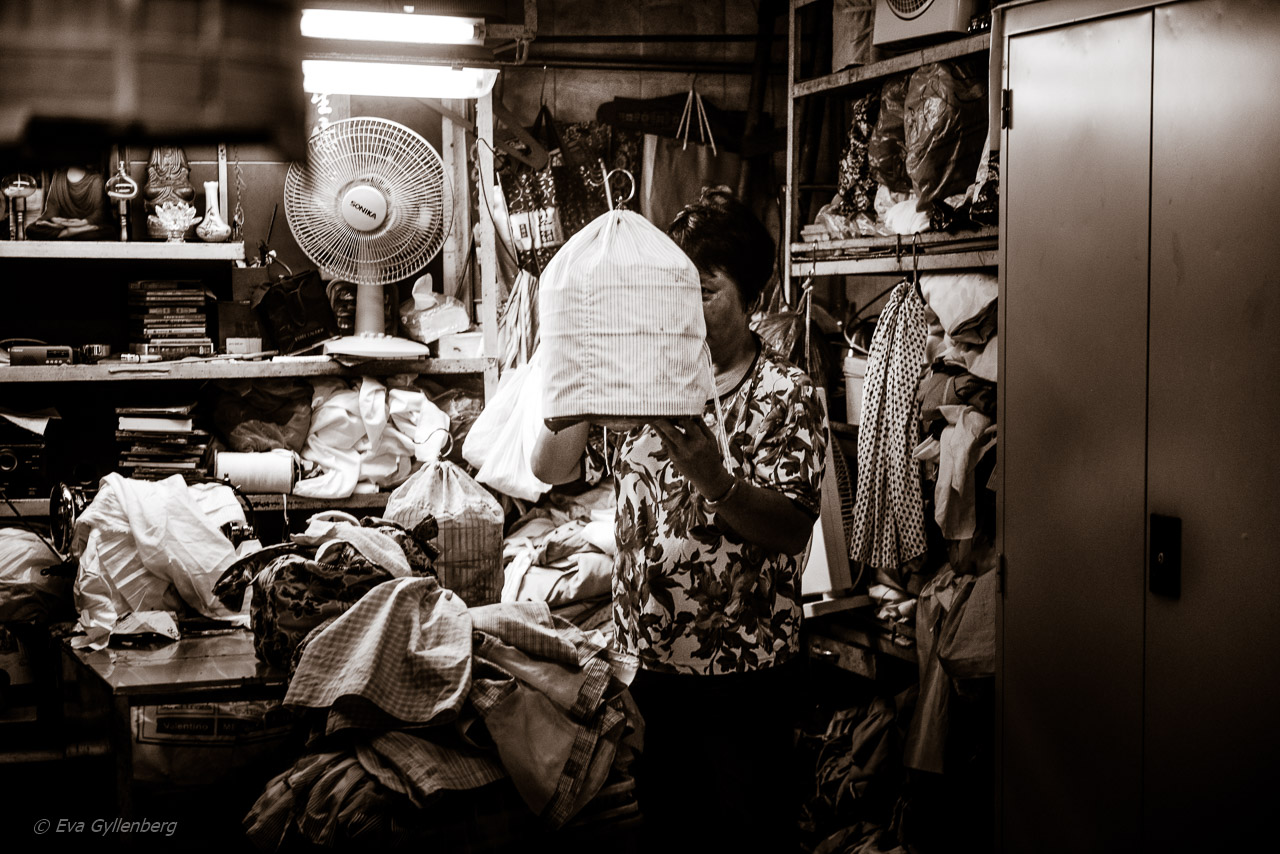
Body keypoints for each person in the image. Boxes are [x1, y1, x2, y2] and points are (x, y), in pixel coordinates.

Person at [531, 187, 828, 853]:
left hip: (743, 677)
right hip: (646, 669)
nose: (684, 310)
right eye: (673, 290)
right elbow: (550, 468)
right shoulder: (637, 383)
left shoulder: (786, 395)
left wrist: (716, 480)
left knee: (748, 835)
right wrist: (575, 375)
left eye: (704, 289)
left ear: (751, 293)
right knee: (667, 833)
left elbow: (790, 529)